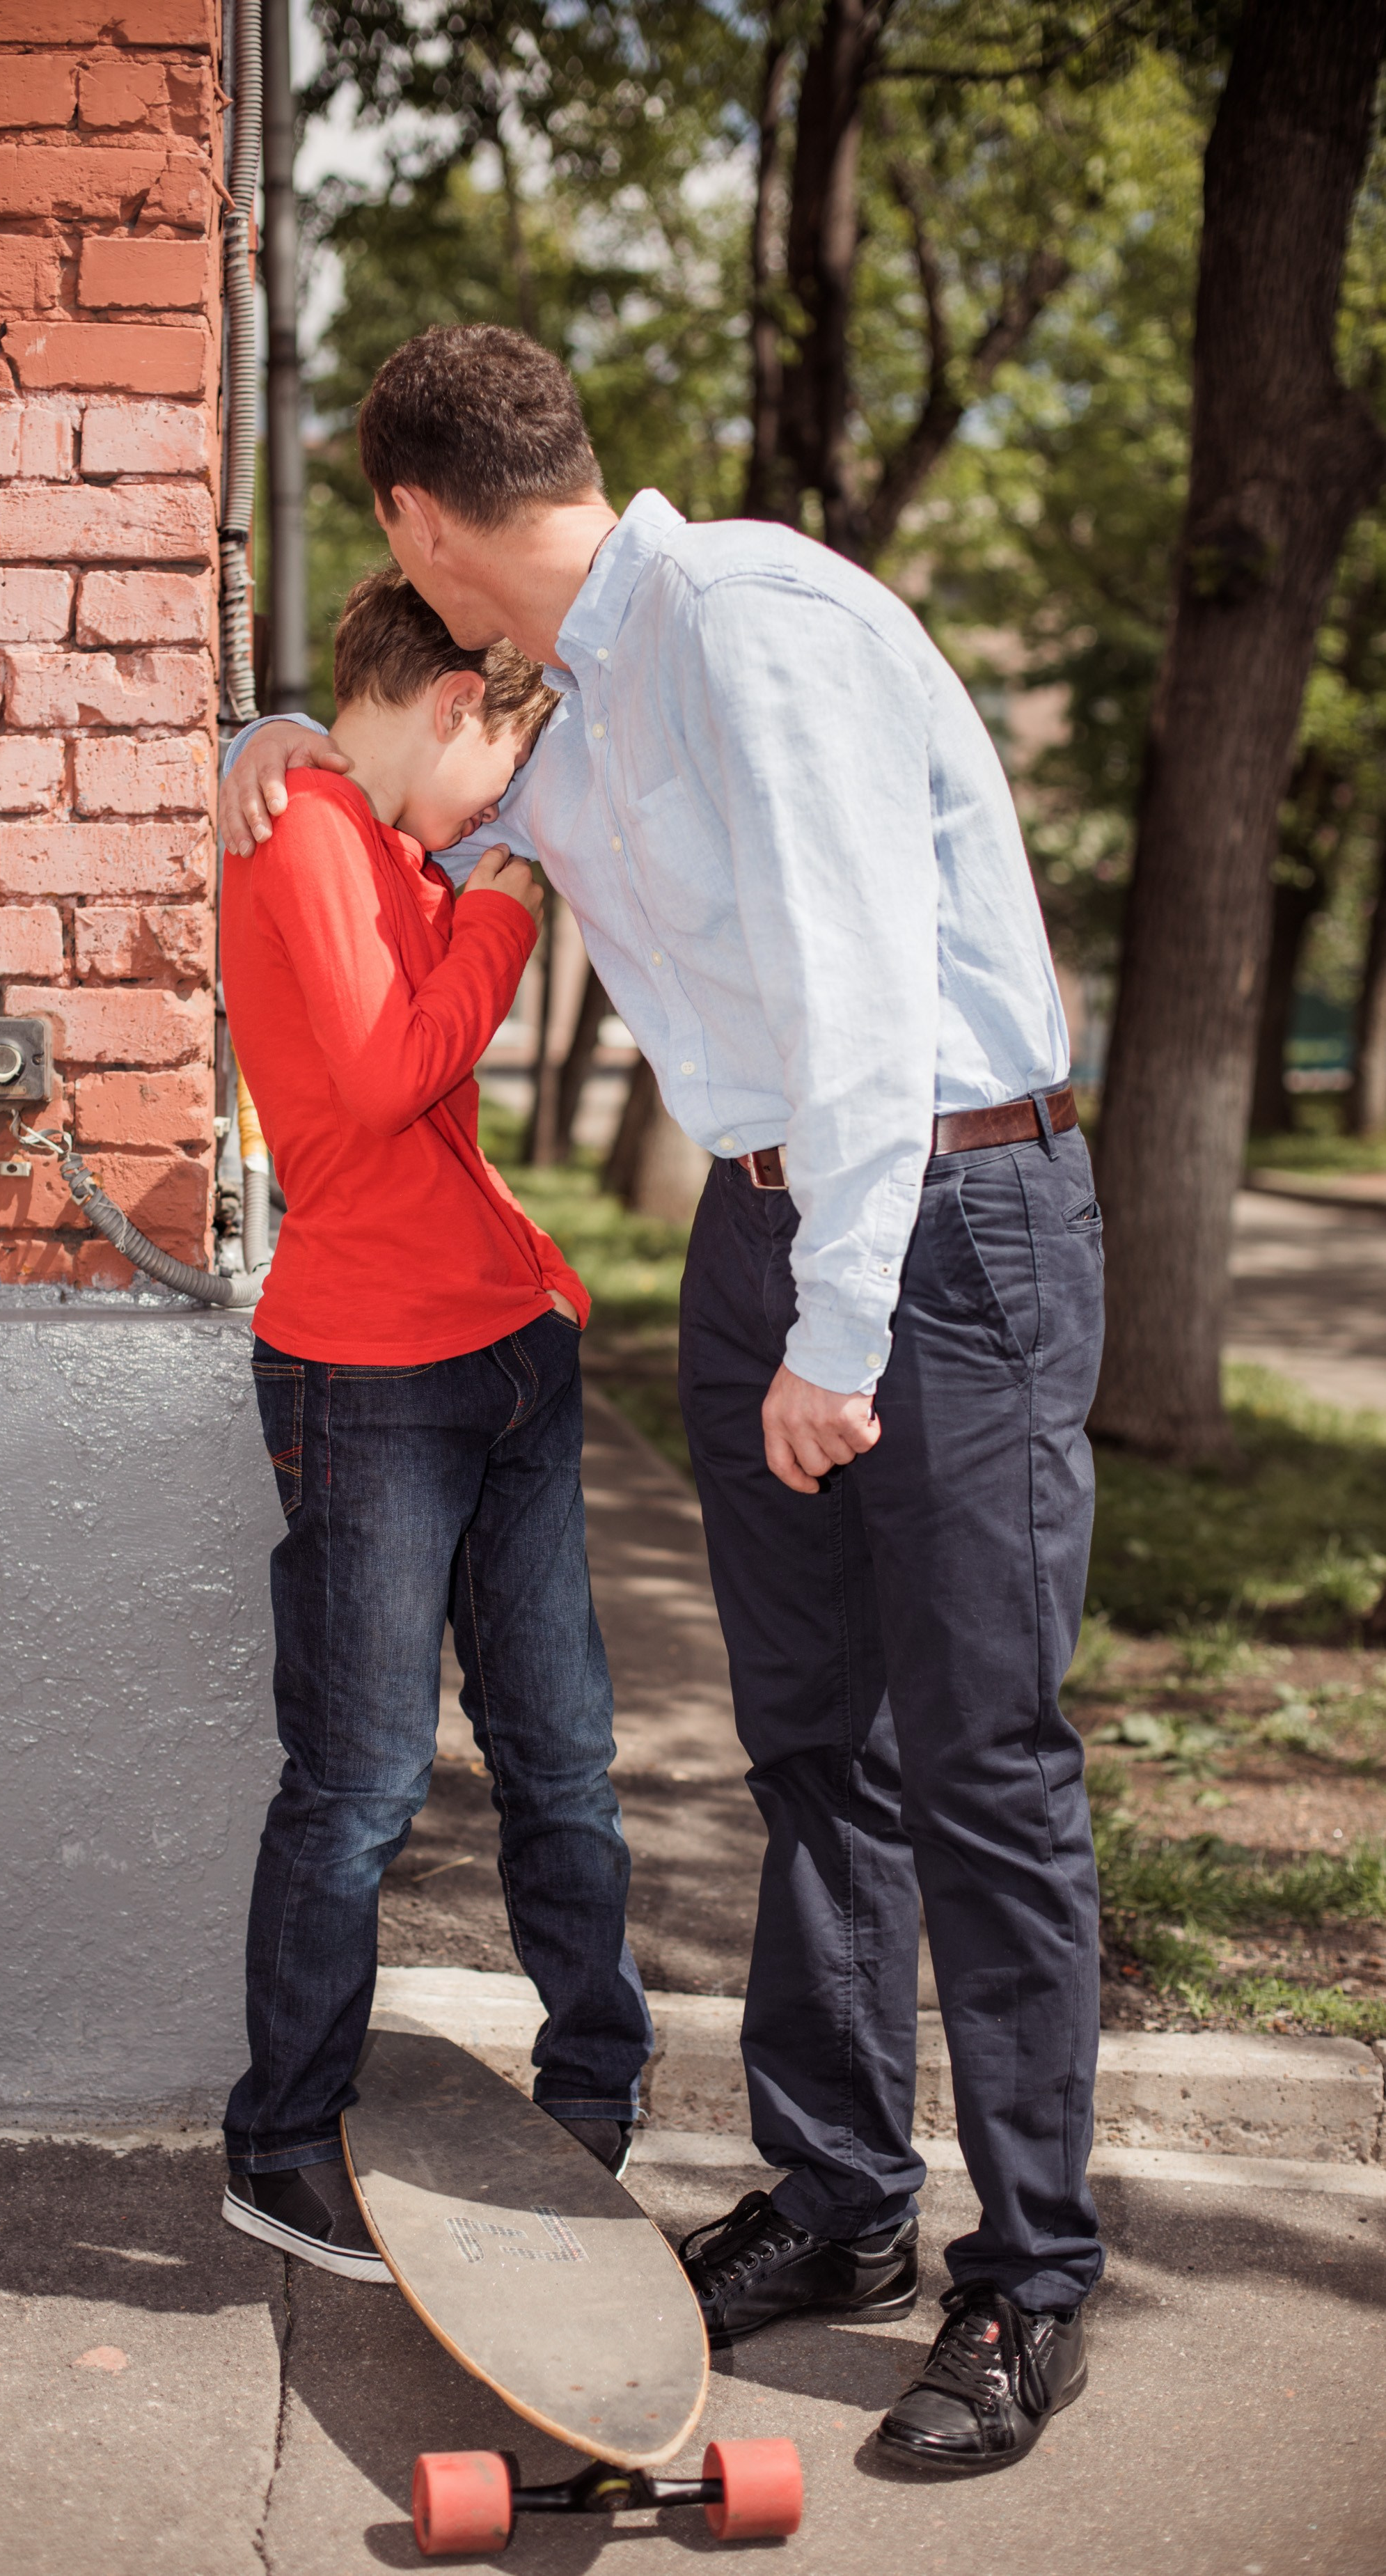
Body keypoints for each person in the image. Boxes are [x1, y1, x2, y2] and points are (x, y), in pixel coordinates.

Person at [221, 325, 1106, 2471]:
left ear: (422, 526)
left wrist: (837, 1330)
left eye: (382, 533)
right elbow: (404, 783)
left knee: (976, 1759)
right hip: (767, 1225)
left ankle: (1029, 2277)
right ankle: (839, 2197)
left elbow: (866, 1005)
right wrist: (259, 734)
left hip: (944, 1218)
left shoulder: (748, 627)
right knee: (814, 1748)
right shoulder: (576, 704)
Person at [219, 561, 652, 2282]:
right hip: (370, 1379)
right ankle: (277, 2141)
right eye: (507, 767)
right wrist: (509, 905)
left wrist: (438, 853)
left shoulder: (371, 829)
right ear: (461, 702)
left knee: (565, 1764)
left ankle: (592, 2093)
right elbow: (395, 1065)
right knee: (361, 1781)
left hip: (507, 1353)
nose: (507, 817)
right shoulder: (310, 825)